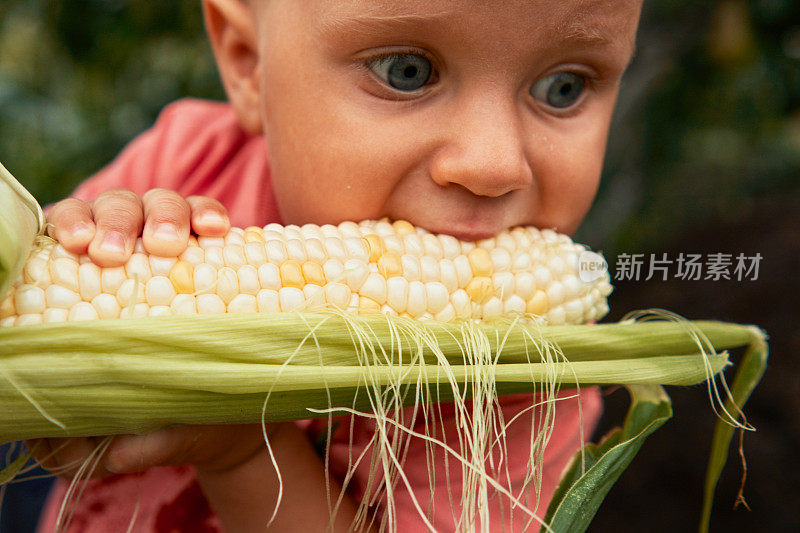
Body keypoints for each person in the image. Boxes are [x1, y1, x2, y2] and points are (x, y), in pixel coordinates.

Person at [30, 0, 643, 530]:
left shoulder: (527, 387)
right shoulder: (186, 160)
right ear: (248, 62)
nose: (494, 165)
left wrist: (240, 452)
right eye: (407, 72)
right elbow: (31, 287)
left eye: (564, 87)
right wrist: (89, 239)